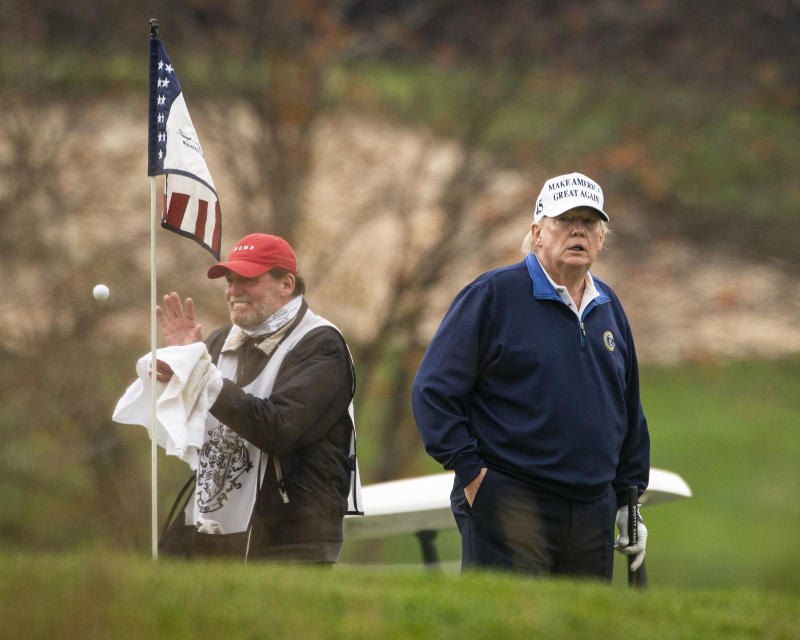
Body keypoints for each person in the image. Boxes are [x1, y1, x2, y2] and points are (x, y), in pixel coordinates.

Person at [411, 172, 649, 580]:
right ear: (538, 232)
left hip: (593, 510)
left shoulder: (609, 306)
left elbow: (626, 408)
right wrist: (473, 476)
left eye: (589, 222)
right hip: (510, 501)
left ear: (601, 238)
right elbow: (433, 391)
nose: (578, 230)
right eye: (564, 220)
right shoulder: (493, 295)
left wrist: (629, 499)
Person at [153, 232, 362, 563]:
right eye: (230, 280)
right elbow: (189, 430)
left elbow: (278, 427)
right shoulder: (220, 341)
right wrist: (174, 377)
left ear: (286, 284)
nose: (233, 291)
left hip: (291, 541)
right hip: (210, 529)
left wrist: (200, 377)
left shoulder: (322, 345)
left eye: (247, 280)